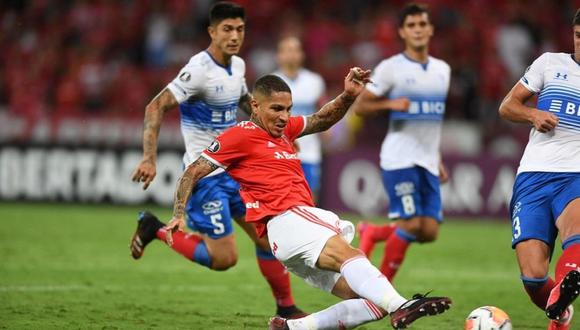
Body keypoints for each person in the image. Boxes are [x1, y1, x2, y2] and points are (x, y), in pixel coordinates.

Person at [165, 69, 452, 329]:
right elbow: (193, 171)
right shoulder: (239, 136)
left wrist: (348, 95)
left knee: (370, 299)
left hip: (288, 238)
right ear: (255, 105)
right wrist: (179, 212)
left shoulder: (285, 130)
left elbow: (322, 119)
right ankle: (402, 306)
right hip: (287, 218)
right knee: (353, 258)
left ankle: (292, 328)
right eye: (276, 108)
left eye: (288, 109)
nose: (283, 116)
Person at [129, 2, 305, 319]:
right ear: (212, 31)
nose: (235, 35)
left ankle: (287, 308)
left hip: (237, 173)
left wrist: (277, 134)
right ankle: (154, 227)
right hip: (205, 177)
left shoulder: (237, 66)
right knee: (225, 259)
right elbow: (155, 107)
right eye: (227, 29)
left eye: (239, 29)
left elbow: (243, 102)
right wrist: (149, 158)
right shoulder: (198, 70)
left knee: (269, 238)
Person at [351, 3, 450, 281]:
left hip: (428, 159)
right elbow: (360, 107)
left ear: (430, 29)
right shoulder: (390, 68)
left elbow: (432, 121)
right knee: (410, 223)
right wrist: (390, 102)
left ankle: (373, 232)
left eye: (422, 24)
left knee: (428, 231)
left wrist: (437, 157)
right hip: (399, 158)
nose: (418, 30)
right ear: (402, 32)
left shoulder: (442, 70)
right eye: (412, 25)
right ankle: (377, 294)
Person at [497, 9, 580, 330]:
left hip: (575, 175)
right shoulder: (550, 63)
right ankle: (560, 312)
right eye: (577, 36)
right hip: (533, 175)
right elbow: (507, 106)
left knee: (576, 236)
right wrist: (533, 115)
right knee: (532, 277)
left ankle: (570, 280)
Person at [273, 36, 326, 201]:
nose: (292, 54)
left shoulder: (315, 81)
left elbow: (323, 109)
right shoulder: (271, 82)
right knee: (280, 199)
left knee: (310, 198)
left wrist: (327, 131)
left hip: (309, 150)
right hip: (279, 151)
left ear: (302, 54)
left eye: (295, 50)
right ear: (279, 55)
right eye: (287, 50)